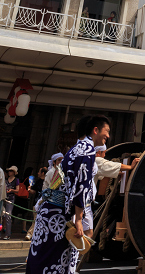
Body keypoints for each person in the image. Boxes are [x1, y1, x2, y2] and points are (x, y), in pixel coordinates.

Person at [26, 114, 110, 274]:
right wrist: (79, 220)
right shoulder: (87, 152)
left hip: (51, 212)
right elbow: (81, 187)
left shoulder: (75, 149)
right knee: (55, 262)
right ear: (95, 130)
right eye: (106, 131)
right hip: (59, 215)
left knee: (42, 259)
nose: (108, 135)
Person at [83, 145, 139, 237]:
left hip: (83, 199)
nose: (104, 156)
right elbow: (109, 165)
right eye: (104, 153)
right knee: (86, 231)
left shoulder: (88, 161)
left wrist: (116, 173)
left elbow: (103, 172)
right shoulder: (96, 160)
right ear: (98, 153)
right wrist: (130, 167)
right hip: (85, 201)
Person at [26, 167, 47, 241]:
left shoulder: (47, 181)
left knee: (37, 220)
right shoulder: (38, 181)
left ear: (43, 173)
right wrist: (29, 189)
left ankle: (30, 234)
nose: (38, 173)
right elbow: (33, 191)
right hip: (36, 203)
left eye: (39, 172)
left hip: (44, 203)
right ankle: (32, 234)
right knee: (35, 219)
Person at [1, 166, 19, 240]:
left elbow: (17, 190)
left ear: (14, 172)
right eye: (9, 171)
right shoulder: (5, 180)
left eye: (11, 171)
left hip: (10, 199)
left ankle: (8, 234)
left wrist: (11, 190)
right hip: (4, 198)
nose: (9, 172)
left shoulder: (16, 180)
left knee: (8, 216)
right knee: (2, 215)